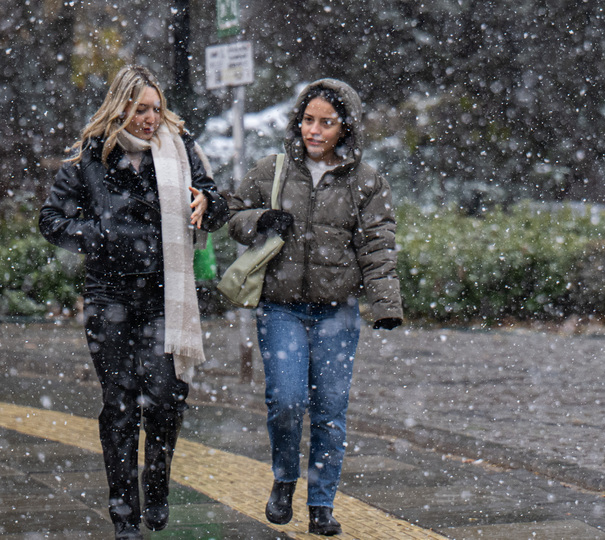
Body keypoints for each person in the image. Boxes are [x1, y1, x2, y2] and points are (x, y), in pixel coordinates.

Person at [38, 65, 228, 540]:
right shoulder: (92, 155)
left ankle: (157, 483)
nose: (149, 118)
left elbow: (215, 204)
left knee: (166, 399)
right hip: (111, 295)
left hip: (166, 292)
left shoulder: (180, 150)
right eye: (140, 109)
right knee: (120, 404)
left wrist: (208, 205)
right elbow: (51, 219)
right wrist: (101, 237)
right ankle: (124, 515)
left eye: (155, 108)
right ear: (120, 107)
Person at [227, 78, 403, 536]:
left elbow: (379, 246)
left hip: (337, 313)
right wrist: (260, 218)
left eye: (327, 122)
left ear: (346, 127)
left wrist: (385, 305)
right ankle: (285, 479)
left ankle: (321, 505)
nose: (315, 130)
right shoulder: (273, 170)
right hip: (281, 309)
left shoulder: (366, 181)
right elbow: (232, 215)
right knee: (286, 400)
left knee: (329, 410)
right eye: (309, 120)